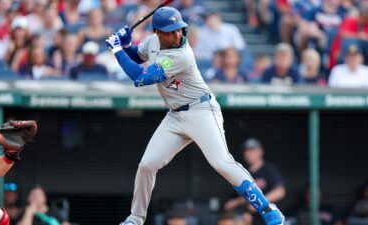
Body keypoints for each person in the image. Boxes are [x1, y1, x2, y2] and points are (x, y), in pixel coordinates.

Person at [106, 6, 284, 225]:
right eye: (170, 31)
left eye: (179, 29)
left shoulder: (182, 54)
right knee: (147, 165)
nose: (177, 34)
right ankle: (135, 218)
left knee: (221, 162)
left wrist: (117, 51)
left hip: (201, 111)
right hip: (175, 116)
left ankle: (268, 209)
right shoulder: (153, 42)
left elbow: (141, 77)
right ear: (157, 33)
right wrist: (125, 45)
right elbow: (137, 55)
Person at [224, 138, 286, 225]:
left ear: (260, 151)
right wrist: (236, 202)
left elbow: (280, 191)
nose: (249, 153)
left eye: (252, 150)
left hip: (269, 215)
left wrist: (260, 204)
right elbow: (247, 193)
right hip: (250, 215)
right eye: (246, 150)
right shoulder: (244, 172)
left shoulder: (268, 169)